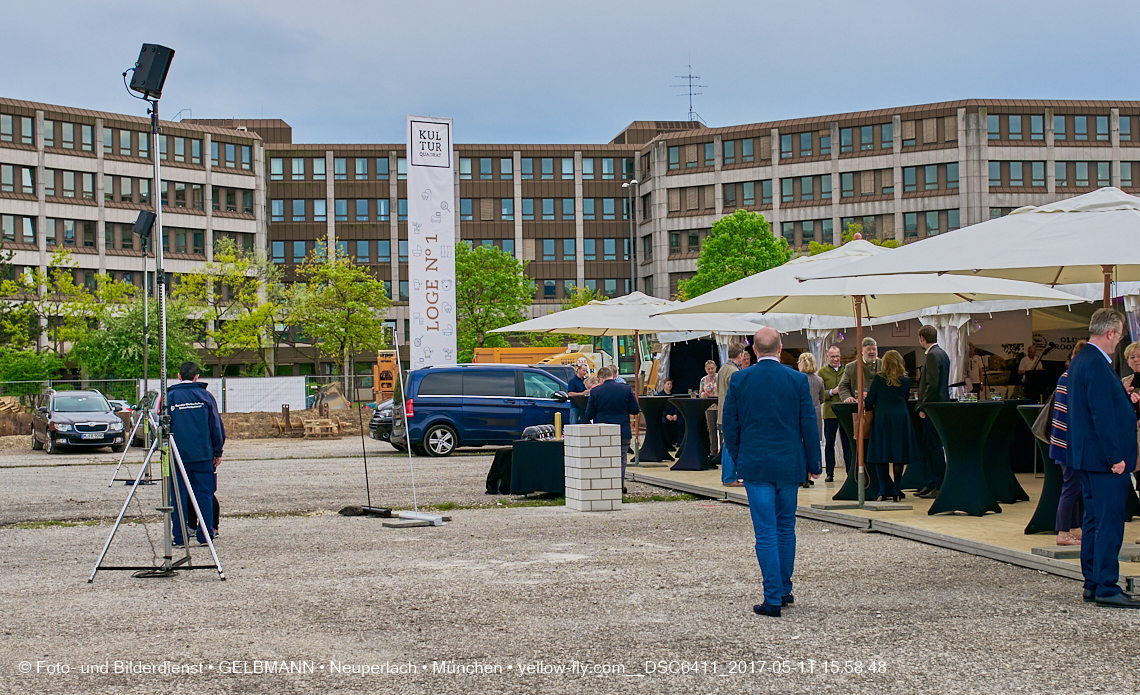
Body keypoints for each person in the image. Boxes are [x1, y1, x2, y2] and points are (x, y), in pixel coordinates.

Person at [723, 327, 821, 618]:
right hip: (789, 463)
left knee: (765, 530)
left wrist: (739, 458)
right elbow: (809, 423)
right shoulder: (797, 379)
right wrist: (814, 464)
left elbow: (730, 425)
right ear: (780, 348)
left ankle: (772, 596)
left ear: (753, 350)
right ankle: (784, 589)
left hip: (755, 462)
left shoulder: (740, 379)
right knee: (785, 527)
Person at [1065, 308, 1140, 608]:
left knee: (1094, 521)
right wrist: (1115, 456)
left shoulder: (1082, 360)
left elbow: (1095, 406)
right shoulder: (1097, 363)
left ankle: (1093, 581)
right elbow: (1101, 414)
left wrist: (1123, 397)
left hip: (1088, 456)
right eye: (1120, 336)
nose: (1119, 341)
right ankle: (1107, 586)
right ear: (1111, 333)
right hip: (1104, 459)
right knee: (1109, 522)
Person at [167, 361, 225, 548]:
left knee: (178, 497)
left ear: (179, 376)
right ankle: (205, 535)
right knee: (205, 495)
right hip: (203, 454)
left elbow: (162, 426)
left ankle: (180, 537)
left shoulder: (170, 397)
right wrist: (217, 451)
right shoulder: (206, 397)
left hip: (177, 456)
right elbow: (215, 425)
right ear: (197, 376)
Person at [865, 350, 920, 502]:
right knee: (898, 455)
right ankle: (896, 491)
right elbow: (905, 397)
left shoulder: (878, 378)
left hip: (882, 418)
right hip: (900, 417)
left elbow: (870, 401)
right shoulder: (906, 380)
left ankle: (883, 491)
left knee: (881, 455)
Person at [1050, 340, 1086, 546]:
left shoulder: (1065, 376)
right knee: (1071, 486)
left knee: (1073, 484)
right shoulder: (1076, 378)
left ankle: (1074, 528)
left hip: (1061, 440)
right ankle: (1063, 532)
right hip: (1069, 443)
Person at [584, 366, 640, 492]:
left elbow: (589, 414)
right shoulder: (626, 389)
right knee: (621, 459)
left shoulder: (595, 392)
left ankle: (605, 486)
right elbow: (635, 409)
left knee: (603, 459)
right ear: (612, 376)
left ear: (600, 379)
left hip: (602, 431)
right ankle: (619, 485)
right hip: (622, 430)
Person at [915, 325, 951, 499]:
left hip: (932, 409)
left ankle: (937, 484)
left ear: (922, 338)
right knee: (933, 446)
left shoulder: (931, 355)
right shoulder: (943, 354)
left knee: (933, 447)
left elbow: (932, 384)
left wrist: (924, 406)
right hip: (941, 407)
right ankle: (931, 483)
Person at [838, 337, 880, 480]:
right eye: (869, 349)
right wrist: (847, 397)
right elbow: (843, 386)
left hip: (879, 412)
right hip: (859, 414)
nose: (872, 352)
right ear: (862, 351)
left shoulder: (883, 365)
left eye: (874, 349)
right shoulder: (851, 367)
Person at [717, 344, 748, 487]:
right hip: (732, 414)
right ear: (740, 355)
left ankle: (727, 476)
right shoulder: (734, 372)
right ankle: (730, 477)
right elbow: (738, 395)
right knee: (731, 445)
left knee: (726, 444)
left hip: (722, 412)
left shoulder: (723, 369)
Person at [819, 345, 849, 483]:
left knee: (847, 443)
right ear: (827, 357)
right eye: (833, 357)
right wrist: (832, 392)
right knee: (829, 443)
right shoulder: (822, 372)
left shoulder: (847, 370)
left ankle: (850, 471)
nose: (836, 359)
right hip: (830, 412)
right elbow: (820, 394)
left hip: (845, 412)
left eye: (837, 356)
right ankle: (830, 473)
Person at [797, 352, 826, 488]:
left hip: (800, 415)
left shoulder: (797, 379)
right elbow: (822, 398)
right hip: (816, 415)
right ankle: (810, 474)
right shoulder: (819, 380)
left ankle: (802, 475)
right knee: (812, 446)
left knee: (801, 446)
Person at [657, 377, 681, 449]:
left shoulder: (675, 394)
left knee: (682, 422)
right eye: (668, 384)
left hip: (674, 414)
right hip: (664, 414)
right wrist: (666, 415)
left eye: (671, 384)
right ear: (664, 385)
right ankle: (667, 443)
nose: (669, 385)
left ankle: (679, 442)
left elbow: (677, 406)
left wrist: (675, 414)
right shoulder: (660, 395)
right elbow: (660, 407)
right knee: (664, 422)